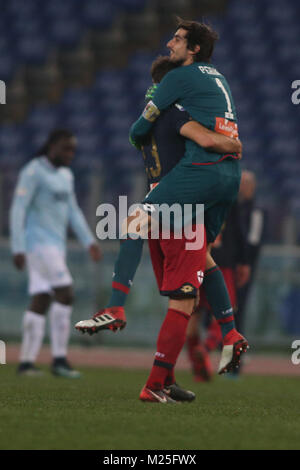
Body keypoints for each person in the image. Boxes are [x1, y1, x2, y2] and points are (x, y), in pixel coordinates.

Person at [76, 56, 241, 402]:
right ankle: (155, 380)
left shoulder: (148, 115)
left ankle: (169, 374)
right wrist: (232, 145)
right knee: (183, 302)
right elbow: (207, 142)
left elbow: (138, 136)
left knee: (201, 270)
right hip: (179, 209)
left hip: (157, 202)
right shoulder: (179, 112)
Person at [128, 18, 249, 390]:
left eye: (177, 39)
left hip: (174, 199)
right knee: (193, 284)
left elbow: (137, 132)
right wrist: (232, 144)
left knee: (185, 287)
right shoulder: (195, 99)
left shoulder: (164, 107)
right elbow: (215, 140)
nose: (170, 43)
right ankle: (222, 338)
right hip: (199, 195)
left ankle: (162, 378)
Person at [10, 129, 101, 377]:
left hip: (55, 247)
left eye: (73, 149)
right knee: (66, 293)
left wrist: (88, 241)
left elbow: (73, 211)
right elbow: (19, 209)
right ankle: (59, 359)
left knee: (42, 299)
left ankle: (26, 363)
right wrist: (17, 246)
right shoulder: (33, 171)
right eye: (65, 148)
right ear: (52, 146)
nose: (70, 154)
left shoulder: (65, 175)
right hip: (38, 245)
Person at [186, 198, 251, 382]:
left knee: (192, 315)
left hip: (196, 258)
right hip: (222, 263)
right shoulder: (228, 193)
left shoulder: (194, 192)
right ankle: (205, 349)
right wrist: (244, 261)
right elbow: (239, 230)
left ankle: (199, 369)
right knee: (224, 312)